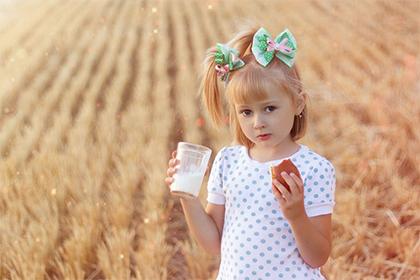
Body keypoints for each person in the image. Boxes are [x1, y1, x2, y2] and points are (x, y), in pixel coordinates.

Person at [165, 26, 336, 280]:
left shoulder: (314, 169)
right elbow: (214, 244)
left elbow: (317, 257)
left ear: (298, 103)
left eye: (269, 108)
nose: (258, 122)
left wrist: (296, 215)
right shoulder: (228, 161)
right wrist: (188, 197)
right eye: (246, 112)